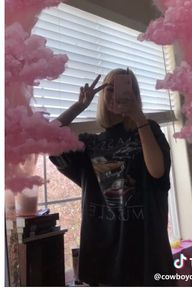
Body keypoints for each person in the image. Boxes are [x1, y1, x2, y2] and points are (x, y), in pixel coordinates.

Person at [49, 68, 176, 286]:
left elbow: (157, 171)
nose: (114, 93)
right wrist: (79, 106)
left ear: (135, 94)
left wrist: (138, 117)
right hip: (103, 259)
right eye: (109, 89)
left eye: (123, 88)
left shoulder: (149, 130)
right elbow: (49, 141)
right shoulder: (91, 143)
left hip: (146, 255)